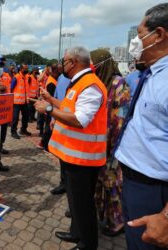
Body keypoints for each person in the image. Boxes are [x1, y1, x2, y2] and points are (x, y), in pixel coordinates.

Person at [35, 47, 107, 250]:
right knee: (75, 202)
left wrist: (48, 109)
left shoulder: (90, 85)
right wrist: (51, 101)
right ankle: (77, 232)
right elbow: (69, 108)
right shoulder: (79, 83)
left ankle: (87, 243)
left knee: (82, 204)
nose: (61, 64)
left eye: (64, 61)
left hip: (83, 158)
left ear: (73, 62)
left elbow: (79, 119)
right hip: (72, 155)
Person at [114, 3, 168, 249]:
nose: (136, 41)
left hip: (155, 192)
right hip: (136, 182)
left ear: (158, 35)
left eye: (139, 34)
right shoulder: (153, 74)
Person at [90, 49, 131, 237]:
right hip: (100, 145)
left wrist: (110, 145)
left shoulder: (118, 84)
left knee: (113, 184)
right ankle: (103, 215)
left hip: (114, 146)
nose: (91, 66)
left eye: (94, 63)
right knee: (102, 183)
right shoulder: (101, 83)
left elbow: (119, 120)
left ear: (103, 63)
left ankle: (117, 222)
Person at [49, 65, 70, 196]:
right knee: (62, 155)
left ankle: (71, 191)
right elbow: (56, 96)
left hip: (73, 122)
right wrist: (53, 118)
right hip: (60, 120)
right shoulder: (61, 78)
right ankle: (63, 183)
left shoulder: (81, 80)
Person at [38, 64, 58, 151]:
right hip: (49, 107)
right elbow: (51, 97)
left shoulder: (52, 79)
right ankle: (45, 144)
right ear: (54, 72)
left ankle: (44, 143)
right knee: (48, 127)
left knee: (48, 126)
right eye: (58, 72)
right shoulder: (52, 82)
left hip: (48, 106)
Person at [10, 64, 31, 139]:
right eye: (25, 68)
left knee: (26, 117)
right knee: (15, 118)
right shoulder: (16, 77)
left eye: (27, 68)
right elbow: (11, 88)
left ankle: (23, 130)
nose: (26, 69)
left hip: (24, 101)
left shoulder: (26, 77)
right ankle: (13, 132)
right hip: (16, 102)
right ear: (21, 69)